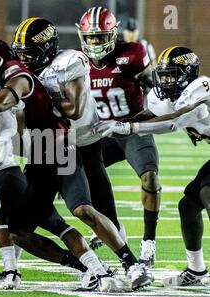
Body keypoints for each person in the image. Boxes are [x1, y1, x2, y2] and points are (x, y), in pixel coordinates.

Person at [0, 32, 154, 291]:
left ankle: (132, 264)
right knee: (19, 232)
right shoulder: (0, 82)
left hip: (59, 145)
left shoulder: (20, 77)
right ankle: (87, 270)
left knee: (82, 210)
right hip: (39, 151)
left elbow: (5, 105)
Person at [94, 46, 210, 287]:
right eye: (163, 75)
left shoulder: (200, 89)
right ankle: (196, 271)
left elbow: (174, 122)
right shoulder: (168, 95)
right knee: (188, 205)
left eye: (172, 75)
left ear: (188, 74)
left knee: (208, 194)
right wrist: (123, 123)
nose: (166, 80)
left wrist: (131, 129)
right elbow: (152, 114)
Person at [77, 7, 161, 267]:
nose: (94, 42)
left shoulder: (132, 53)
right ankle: (113, 226)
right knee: (79, 176)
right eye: (90, 37)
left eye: (100, 36)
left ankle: (148, 243)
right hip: (102, 133)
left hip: (132, 128)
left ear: (113, 35)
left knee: (149, 176)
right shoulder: (77, 62)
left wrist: (155, 115)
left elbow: (154, 88)